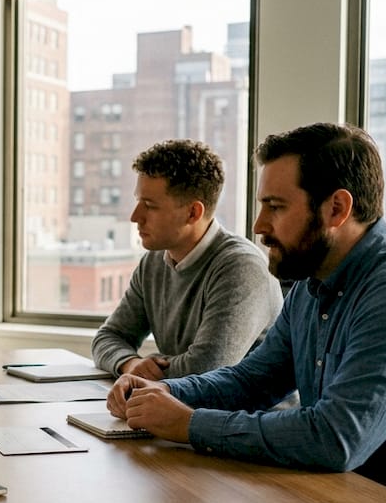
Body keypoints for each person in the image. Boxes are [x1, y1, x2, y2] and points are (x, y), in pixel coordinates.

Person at [107, 122, 386, 503]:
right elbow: (252, 381)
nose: (259, 225)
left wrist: (191, 424)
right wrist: (157, 391)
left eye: (276, 207)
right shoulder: (311, 285)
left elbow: (335, 438)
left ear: (337, 208)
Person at [92, 139, 282, 380]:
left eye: (149, 206)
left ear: (193, 212)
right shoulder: (153, 262)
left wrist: (145, 372)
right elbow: (109, 336)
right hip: (177, 406)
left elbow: (207, 368)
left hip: (243, 415)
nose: (135, 216)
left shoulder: (241, 267)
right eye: (138, 201)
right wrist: (129, 364)